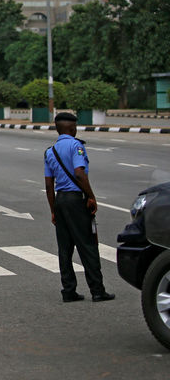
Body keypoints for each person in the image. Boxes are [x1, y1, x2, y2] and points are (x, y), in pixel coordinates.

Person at [44, 112, 115, 303]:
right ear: (72, 128)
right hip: (76, 200)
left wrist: (53, 210)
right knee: (88, 245)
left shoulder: (50, 151)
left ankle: (68, 290)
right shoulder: (76, 146)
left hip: (60, 201)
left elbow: (49, 185)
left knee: (65, 249)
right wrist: (91, 196)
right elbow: (79, 173)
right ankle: (97, 290)